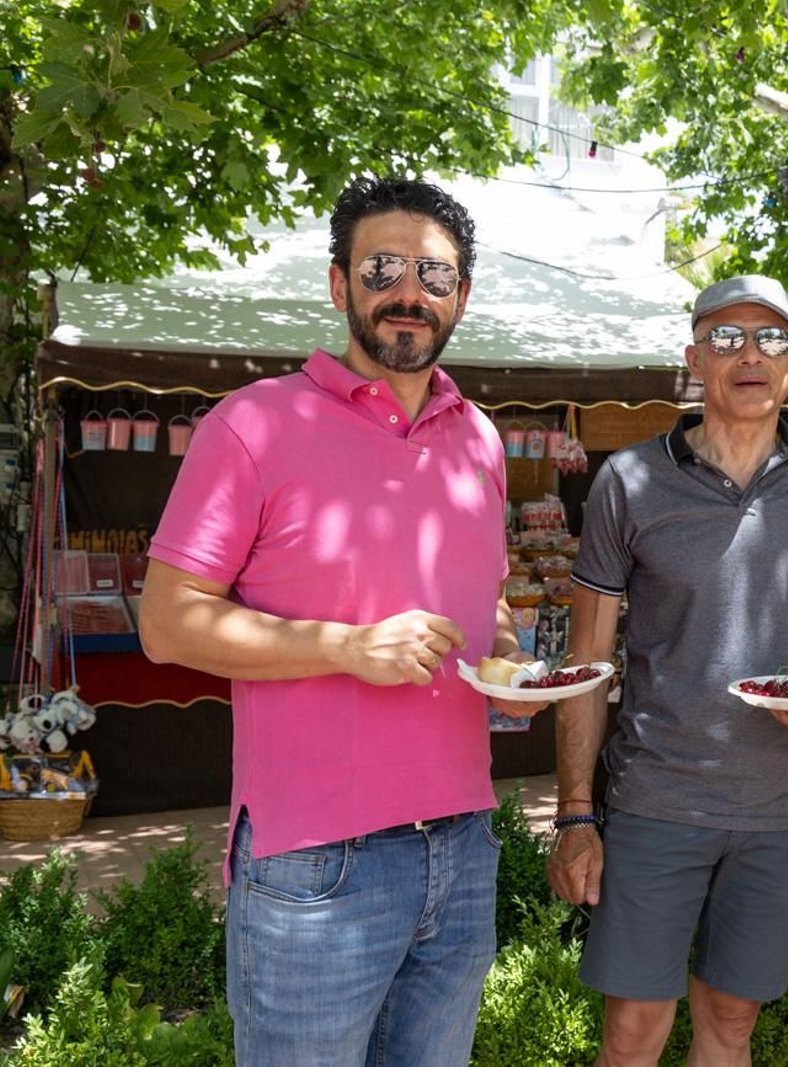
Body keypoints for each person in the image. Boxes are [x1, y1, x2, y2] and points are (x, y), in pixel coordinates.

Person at [139, 176, 544, 1066]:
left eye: (433, 275)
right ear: (339, 284)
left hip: (466, 841)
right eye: (383, 268)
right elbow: (166, 624)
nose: (409, 293)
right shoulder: (252, 424)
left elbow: (489, 594)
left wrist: (508, 656)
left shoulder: (477, 435)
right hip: (316, 860)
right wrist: (349, 647)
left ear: (461, 295)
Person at [547, 275, 788, 1066]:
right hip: (658, 794)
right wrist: (574, 814)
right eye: (727, 338)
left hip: (782, 801)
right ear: (694, 359)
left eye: (770, 339)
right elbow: (587, 661)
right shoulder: (628, 479)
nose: (750, 355)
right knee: (632, 1033)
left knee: (731, 1023)